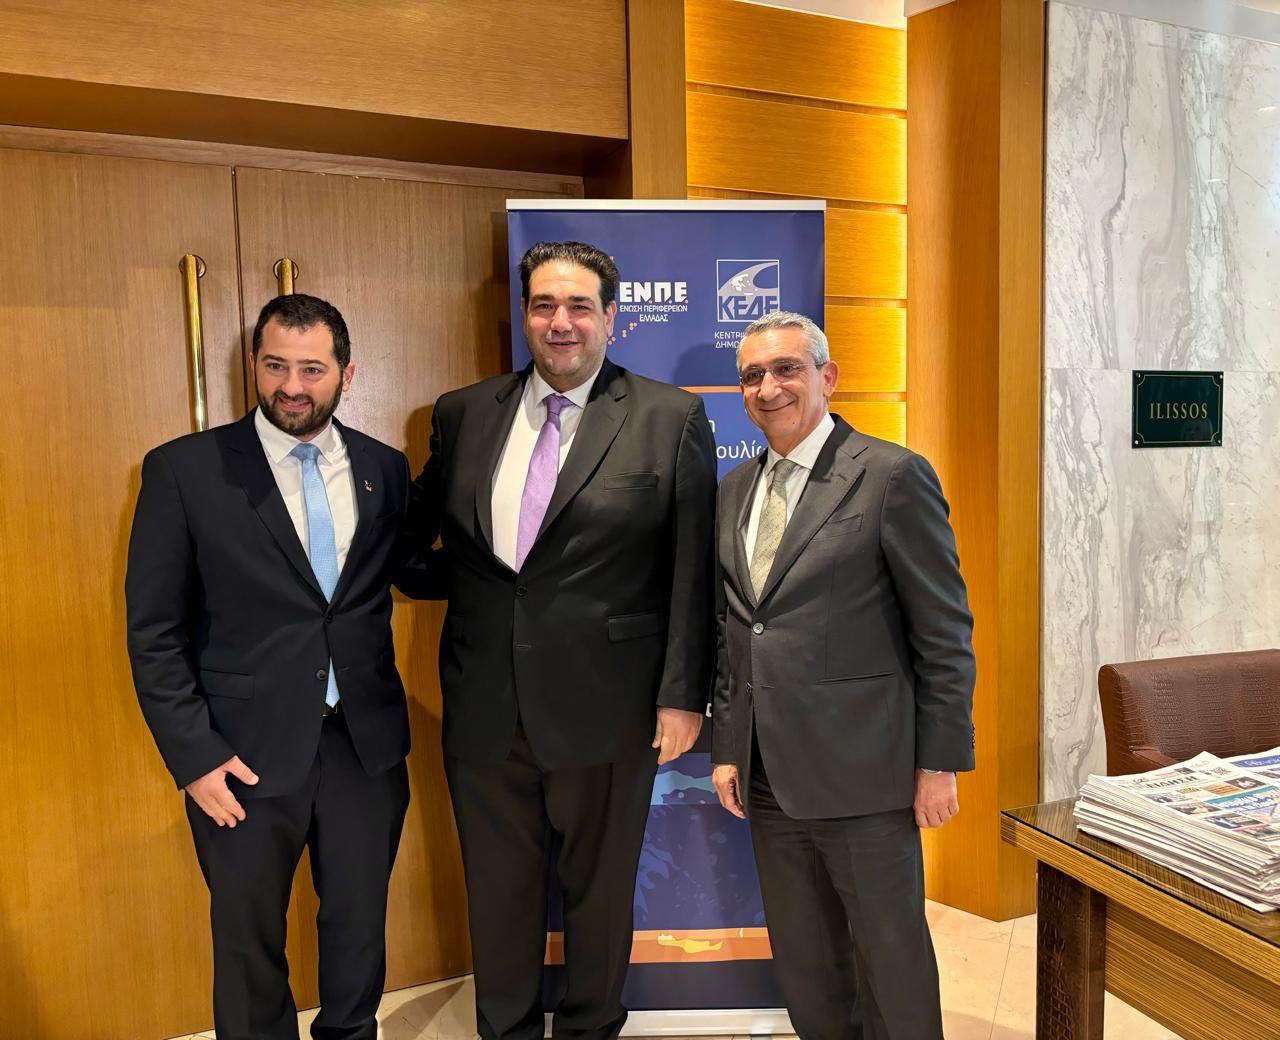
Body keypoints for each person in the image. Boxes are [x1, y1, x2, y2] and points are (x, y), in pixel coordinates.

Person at [405, 240, 717, 1039]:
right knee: (497, 894)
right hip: (484, 705)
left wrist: (683, 695)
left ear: (612, 316)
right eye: (544, 305)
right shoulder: (463, 413)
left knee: (599, 895)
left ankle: (590, 1029)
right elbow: (420, 543)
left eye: (580, 306)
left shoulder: (670, 417)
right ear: (525, 314)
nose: (561, 322)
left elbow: (691, 571)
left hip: (610, 705)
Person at [126, 294, 415, 1040]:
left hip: (365, 747)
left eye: (312, 369)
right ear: (254, 365)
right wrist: (194, 756)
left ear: (347, 374)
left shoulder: (384, 470)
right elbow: (154, 631)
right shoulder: (184, 470)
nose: (292, 386)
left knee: (359, 931)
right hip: (239, 756)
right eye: (276, 365)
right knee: (248, 942)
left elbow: (408, 575)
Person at [710, 311, 976, 1040]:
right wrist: (729, 746)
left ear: (827, 377)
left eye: (787, 369)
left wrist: (939, 762)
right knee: (807, 965)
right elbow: (736, 631)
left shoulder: (891, 475)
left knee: (891, 963)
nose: (769, 387)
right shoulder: (733, 491)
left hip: (866, 776)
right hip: (768, 776)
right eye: (753, 376)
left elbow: (944, 632)